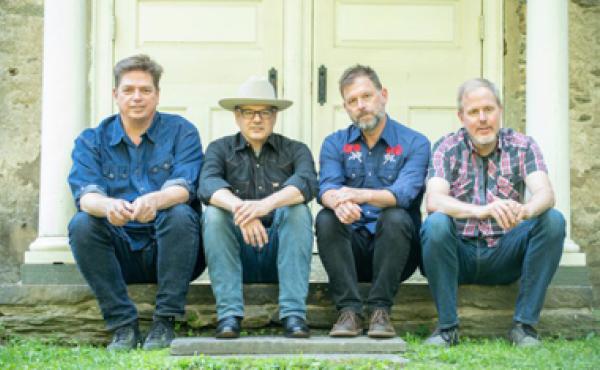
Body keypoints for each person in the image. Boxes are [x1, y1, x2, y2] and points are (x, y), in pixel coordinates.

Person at [67, 54, 205, 350]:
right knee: (81, 224)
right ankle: (123, 326)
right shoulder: (92, 140)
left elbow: (185, 186)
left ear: (158, 95)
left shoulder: (182, 131)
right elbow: (86, 195)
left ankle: (165, 322)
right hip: (119, 254)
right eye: (128, 90)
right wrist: (108, 206)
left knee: (180, 213)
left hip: (171, 251)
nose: (137, 97)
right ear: (115, 95)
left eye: (145, 90)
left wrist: (156, 200)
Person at [421, 78, 565, 347]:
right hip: (458, 255)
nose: (483, 118)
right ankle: (447, 329)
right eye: (473, 112)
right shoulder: (446, 147)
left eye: (489, 109)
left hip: (504, 253)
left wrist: (525, 210)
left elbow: (546, 194)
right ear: (461, 116)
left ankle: (524, 327)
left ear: (500, 110)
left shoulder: (523, 145)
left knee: (553, 221)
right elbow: (434, 200)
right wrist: (483, 210)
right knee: (436, 223)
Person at [316, 65, 430, 338]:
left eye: (366, 96)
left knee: (396, 215)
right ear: (345, 107)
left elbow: (404, 193)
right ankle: (349, 312)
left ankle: (380, 310)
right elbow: (327, 187)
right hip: (352, 253)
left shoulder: (415, 143)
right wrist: (337, 201)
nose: (361, 106)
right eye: (352, 101)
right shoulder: (335, 143)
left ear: (384, 95)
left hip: (396, 252)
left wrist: (360, 195)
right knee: (326, 217)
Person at [199, 76, 318, 339]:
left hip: (280, 254)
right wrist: (242, 210)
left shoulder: (296, 150)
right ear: (236, 116)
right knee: (215, 214)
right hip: (237, 254)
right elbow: (207, 184)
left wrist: (264, 206)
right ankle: (229, 315)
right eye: (249, 112)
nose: (256, 119)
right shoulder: (219, 149)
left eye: (264, 112)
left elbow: (307, 184)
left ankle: (293, 314)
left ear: (275, 116)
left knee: (297, 209)